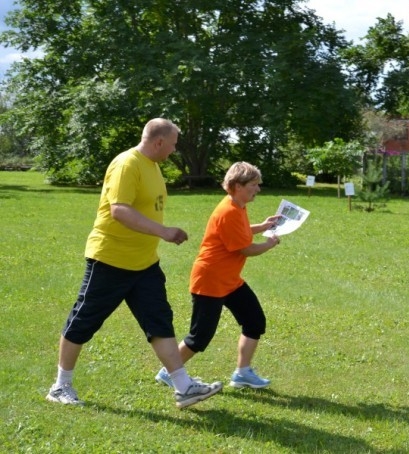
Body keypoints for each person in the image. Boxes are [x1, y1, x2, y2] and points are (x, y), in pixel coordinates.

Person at [46, 118, 223, 409]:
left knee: (159, 320)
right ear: (159, 142)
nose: (174, 150)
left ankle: (183, 386)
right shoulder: (127, 164)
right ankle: (60, 386)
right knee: (84, 320)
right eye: (174, 144)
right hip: (111, 259)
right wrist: (164, 232)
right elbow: (119, 211)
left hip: (144, 265)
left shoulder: (152, 166)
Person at [155, 162, 281, 390]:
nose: (258, 189)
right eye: (253, 184)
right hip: (210, 280)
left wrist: (262, 226)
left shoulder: (238, 206)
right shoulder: (228, 211)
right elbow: (246, 249)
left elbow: (241, 231)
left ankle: (242, 373)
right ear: (236, 186)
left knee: (254, 321)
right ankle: (168, 372)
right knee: (199, 337)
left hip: (229, 281)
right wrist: (269, 244)